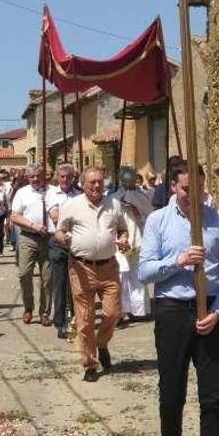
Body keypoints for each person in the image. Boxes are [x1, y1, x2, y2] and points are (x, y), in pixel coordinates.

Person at [138, 160, 219, 436]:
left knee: (213, 398)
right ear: (173, 186)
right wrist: (178, 260)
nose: (194, 195)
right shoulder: (158, 221)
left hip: (210, 311)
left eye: (199, 187)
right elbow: (144, 270)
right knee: (172, 395)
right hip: (172, 311)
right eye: (187, 189)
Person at [55, 167, 128, 382]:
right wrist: (63, 238)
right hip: (81, 267)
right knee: (85, 319)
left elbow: (122, 229)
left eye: (100, 182)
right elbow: (59, 230)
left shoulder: (114, 204)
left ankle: (102, 343)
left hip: (108, 267)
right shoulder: (72, 205)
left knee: (113, 313)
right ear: (83, 184)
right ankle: (90, 363)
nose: (97, 186)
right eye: (92, 182)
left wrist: (124, 239)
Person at [111, 166, 154, 326]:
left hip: (135, 239)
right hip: (121, 240)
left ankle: (138, 310)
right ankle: (121, 311)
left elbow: (150, 215)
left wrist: (137, 211)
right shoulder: (113, 198)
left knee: (136, 275)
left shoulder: (139, 196)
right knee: (121, 275)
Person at [10, 164, 53, 325]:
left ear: (44, 176)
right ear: (27, 178)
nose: (35, 179)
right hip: (28, 237)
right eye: (32, 176)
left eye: (38, 176)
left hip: (48, 239)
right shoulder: (22, 193)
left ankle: (45, 312)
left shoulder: (52, 192)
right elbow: (14, 216)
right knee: (24, 273)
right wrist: (33, 226)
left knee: (47, 278)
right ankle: (28, 307)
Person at [47, 163, 82, 339]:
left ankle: (78, 319)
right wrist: (72, 219)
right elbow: (55, 216)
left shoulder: (80, 195)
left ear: (73, 177)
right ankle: (60, 322)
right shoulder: (51, 193)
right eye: (62, 176)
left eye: (69, 176)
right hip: (58, 241)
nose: (65, 179)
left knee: (77, 283)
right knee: (60, 283)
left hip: (77, 241)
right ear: (57, 177)